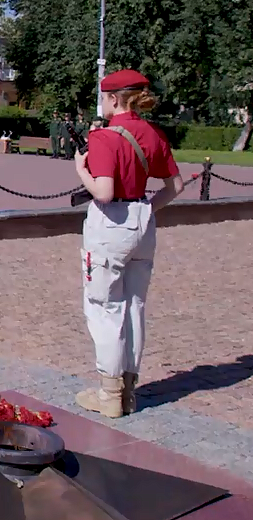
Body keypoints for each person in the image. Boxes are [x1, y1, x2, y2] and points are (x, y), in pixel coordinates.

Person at [73, 69, 184, 419]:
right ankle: (130, 391)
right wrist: (147, 209)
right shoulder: (152, 133)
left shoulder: (105, 137)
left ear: (114, 98)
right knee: (134, 305)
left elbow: (104, 191)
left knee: (104, 307)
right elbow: (174, 187)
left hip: (111, 225)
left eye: (103, 97)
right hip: (142, 220)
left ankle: (109, 394)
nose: (101, 103)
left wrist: (81, 170)